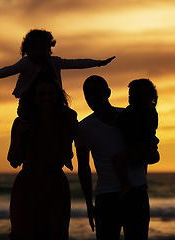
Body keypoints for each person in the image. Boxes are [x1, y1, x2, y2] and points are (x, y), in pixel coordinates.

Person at [0, 29, 115, 170]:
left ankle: (66, 155)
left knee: (70, 116)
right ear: (27, 50)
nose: (38, 52)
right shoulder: (26, 63)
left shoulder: (54, 62)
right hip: (27, 101)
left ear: (49, 49)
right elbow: (10, 69)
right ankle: (27, 152)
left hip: (53, 101)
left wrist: (98, 63)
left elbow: (76, 63)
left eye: (42, 48)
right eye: (34, 48)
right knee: (26, 119)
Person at [75, 75, 150, 240]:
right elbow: (83, 167)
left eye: (96, 91)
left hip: (136, 194)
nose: (91, 97)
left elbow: (142, 150)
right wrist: (89, 204)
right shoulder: (83, 128)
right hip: (106, 198)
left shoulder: (129, 116)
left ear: (108, 92)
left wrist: (141, 181)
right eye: (87, 94)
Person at [9, 72, 76, 240]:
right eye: (41, 94)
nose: (46, 98)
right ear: (34, 97)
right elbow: (13, 160)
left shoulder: (64, 121)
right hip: (28, 184)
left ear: (57, 96)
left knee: (56, 234)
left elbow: (67, 157)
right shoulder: (21, 122)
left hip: (55, 184)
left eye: (51, 94)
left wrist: (69, 131)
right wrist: (22, 136)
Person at [112, 78, 160, 197]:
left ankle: (126, 183)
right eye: (135, 95)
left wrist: (117, 118)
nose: (139, 98)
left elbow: (120, 122)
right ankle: (138, 181)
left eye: (144, 95)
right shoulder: (150, 111)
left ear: (152, 97)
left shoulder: (135, 112)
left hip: (138, 146)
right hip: (145, 145)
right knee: (141, 167)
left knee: (118, 160)